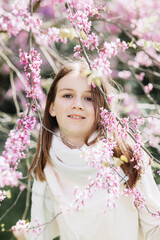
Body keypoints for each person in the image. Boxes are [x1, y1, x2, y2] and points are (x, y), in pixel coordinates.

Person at [14, 61, 160, 240]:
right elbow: (43, 230)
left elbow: (155, 226)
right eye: (67, 95)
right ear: (52, 107)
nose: (77, 104)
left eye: (89, 98)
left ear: (102, 109)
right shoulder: (47, 164)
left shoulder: (126, 157)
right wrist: (24, 234)